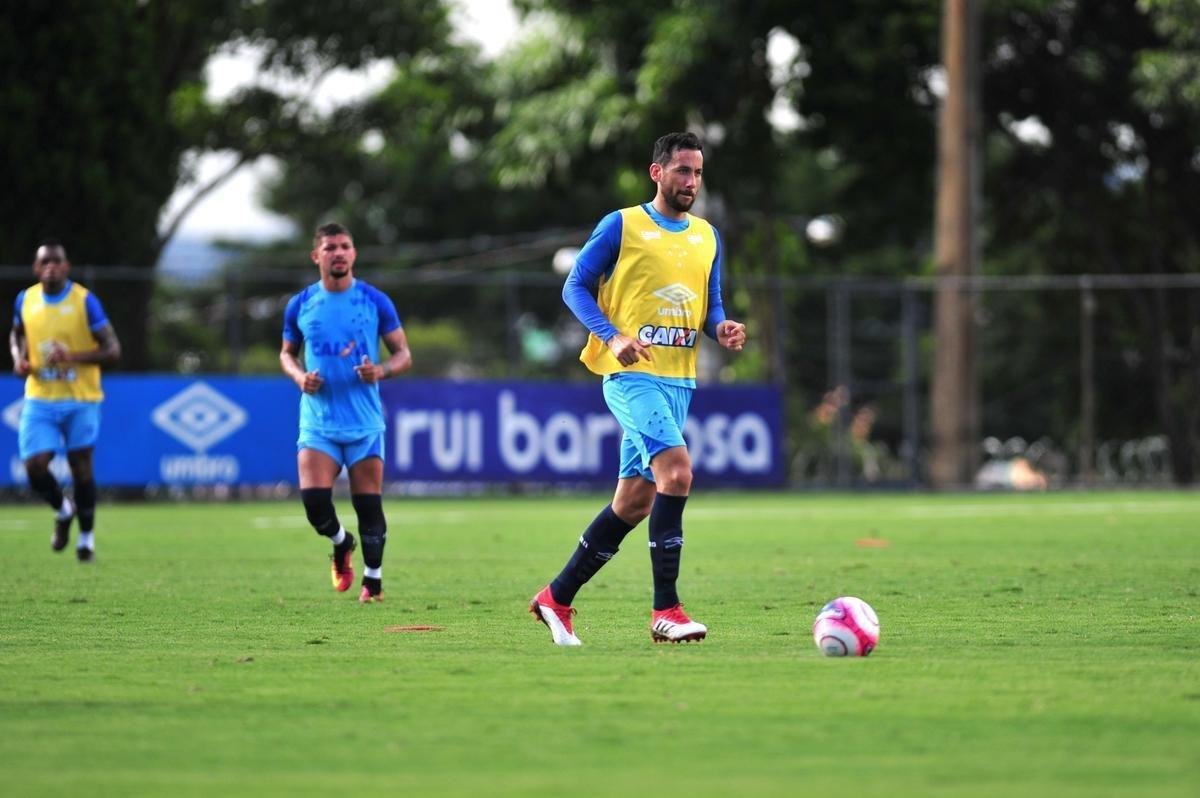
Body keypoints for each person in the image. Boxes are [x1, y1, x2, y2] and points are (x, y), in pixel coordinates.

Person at [530, 132, 747, 645]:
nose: (691, 181)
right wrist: (613, 336)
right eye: (682, 171)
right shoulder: (622, 224)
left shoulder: (707, 236)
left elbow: (709, 304)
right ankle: (666, 610)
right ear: (657, 172)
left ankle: (555, 598)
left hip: (679, 379)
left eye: (697, 173)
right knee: (677, 472)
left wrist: (721, 328)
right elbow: (573, 286)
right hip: (630, 376)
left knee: (633, 502)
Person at [280, 222, 412, 603]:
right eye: (330, 247)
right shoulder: (301, 304)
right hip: (318, 422)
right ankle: (341, 542)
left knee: (367, 503)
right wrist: (298, 375)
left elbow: (403, 354)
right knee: (315, 507)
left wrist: (381, 370)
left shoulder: (375, 300)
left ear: (353, 253)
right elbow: (286, 353)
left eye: (344, 246)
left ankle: (373, 580)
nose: (338, 253)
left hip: (363, 421)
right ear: (316, 256)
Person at [9, 240, 121, 561]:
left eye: (57, 261)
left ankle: (86, 537)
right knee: (34, 466)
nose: (51, 267)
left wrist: (71, 356)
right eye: (45, 262)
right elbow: (17, 332)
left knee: (81, 468)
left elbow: (113, 351)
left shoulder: (84, 301)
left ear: (66, 266)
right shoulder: (25, 300)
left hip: (81, 398)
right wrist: (19, 357)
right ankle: (62, 509)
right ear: (35, 268)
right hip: (40, 397)